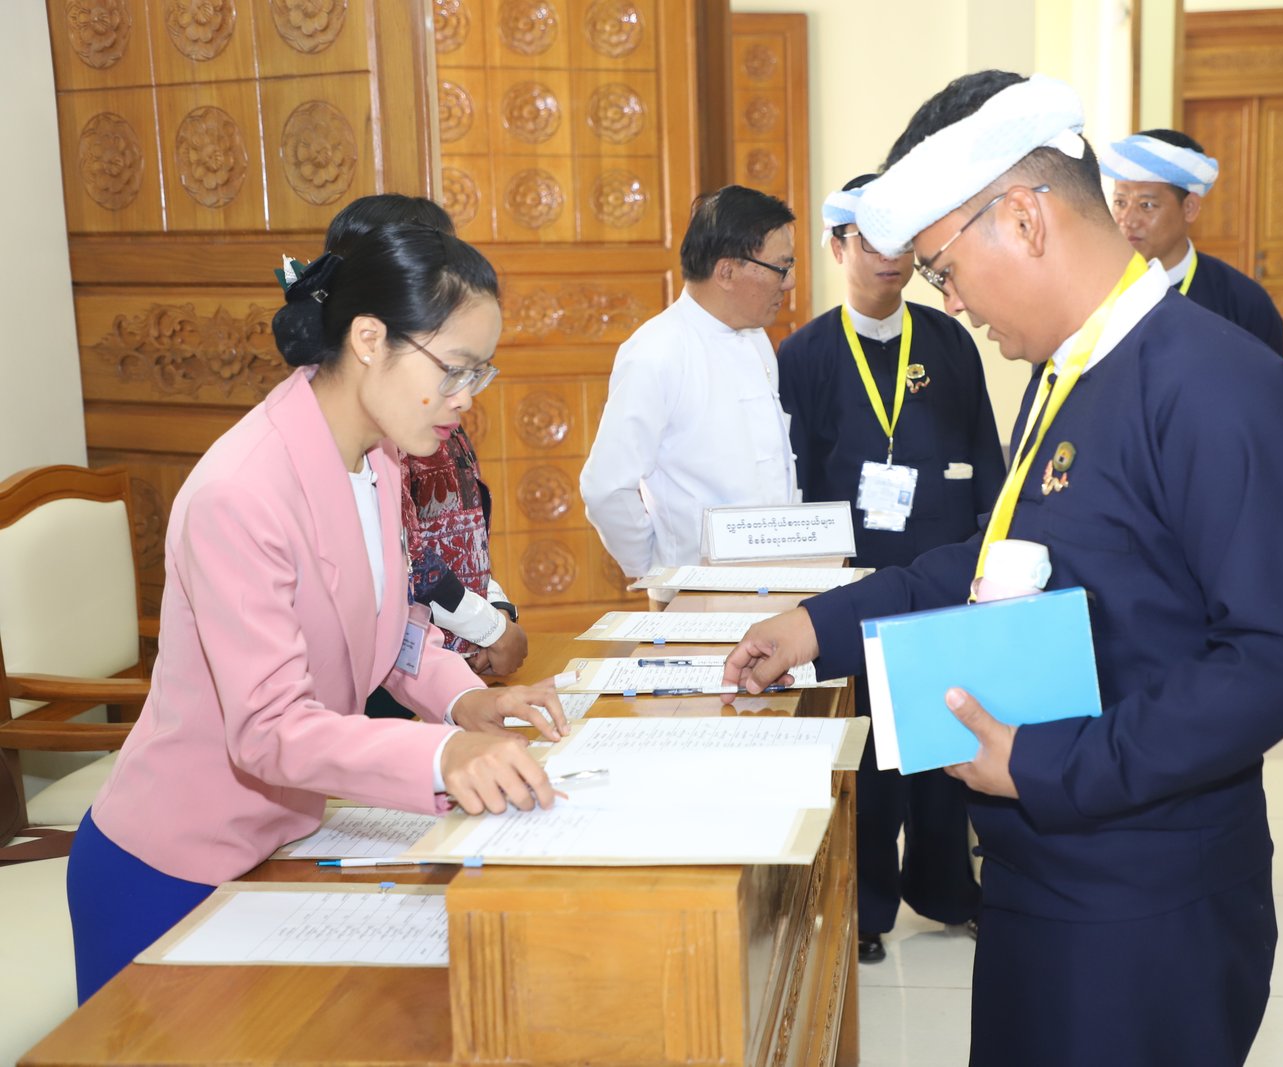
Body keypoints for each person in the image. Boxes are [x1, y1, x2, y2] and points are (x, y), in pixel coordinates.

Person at [723, 71, 1283, 1065]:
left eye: (943, 268)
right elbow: (1000, 561)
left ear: (1022, 218)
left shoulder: (1214, 386)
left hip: (1142, 897)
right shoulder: (1069, 372)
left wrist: (1046, 764)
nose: (951, 301)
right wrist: (819, 624)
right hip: (1042, 861)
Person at [66, 223, 571, 1003]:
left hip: (283, 840)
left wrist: (462, 700)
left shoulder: (380, 455)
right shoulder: (241, 491)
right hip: (171, 869)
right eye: (454, 369)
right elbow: (269, 727)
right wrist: (443, 755)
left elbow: (384, 618)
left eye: (480, 373)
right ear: (369, 339)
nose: (466, 398)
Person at [777, 174, 1005, 963]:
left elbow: (984, 453)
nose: (891, 256)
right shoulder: (804, 354)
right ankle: (866, 909)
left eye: (904, 240)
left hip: (943, 580)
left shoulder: (949, 341)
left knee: (947, 747)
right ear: (836, 246)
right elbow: (794, 479)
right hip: (853, 589)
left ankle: (950, 892)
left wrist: (991, 555)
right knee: (870, 758)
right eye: (871, 240)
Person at [303, 196, 529, 722]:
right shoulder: (253, 487)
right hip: (355, 715)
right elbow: (410, 575)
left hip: (426, 669)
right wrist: (489, 627)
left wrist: (494, 613)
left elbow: (462, 541)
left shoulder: (416, 423)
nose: (464, 397)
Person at [580, 185, 801, 579]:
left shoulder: (757, 340)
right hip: (697, 588)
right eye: (780, 268)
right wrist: (654, 571)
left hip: (778, 579)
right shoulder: (657, 351)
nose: (789, 283)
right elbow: (606, 488)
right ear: (727, 271)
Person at [1101, 129, 1283, 357]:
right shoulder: (1094, 289)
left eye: (1146, 205)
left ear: (1190, 208)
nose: (1127, 220)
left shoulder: (1242, 302)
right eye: (1120, 202)